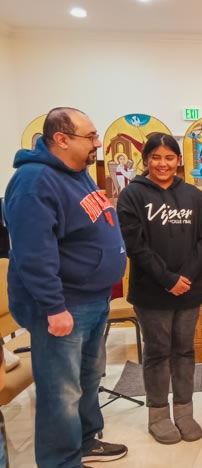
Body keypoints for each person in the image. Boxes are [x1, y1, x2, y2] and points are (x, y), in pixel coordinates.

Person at [4, 107, 128, 466]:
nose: (97, 143)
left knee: (87, 378)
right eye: (90, 136)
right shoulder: (34, 182)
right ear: (61, 139)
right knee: (62, 390)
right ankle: (60, 460)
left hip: (92, 299)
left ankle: (86, 441)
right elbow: (33, 253)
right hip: (64, 305)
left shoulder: (77, 174)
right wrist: (54, 307)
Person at [117, 133, 202, 444]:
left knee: (184, 350)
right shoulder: (132, 195)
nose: (163, 164)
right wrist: (168, 279)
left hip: (189, 288)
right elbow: (135, 245)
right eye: (156, 157)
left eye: (169, 157)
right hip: (152, 290)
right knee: (157, 352)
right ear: (146, 160)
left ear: (179, 160)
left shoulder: (194, 196)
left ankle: (184, 412)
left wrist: (185, 276)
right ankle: (158, 415)